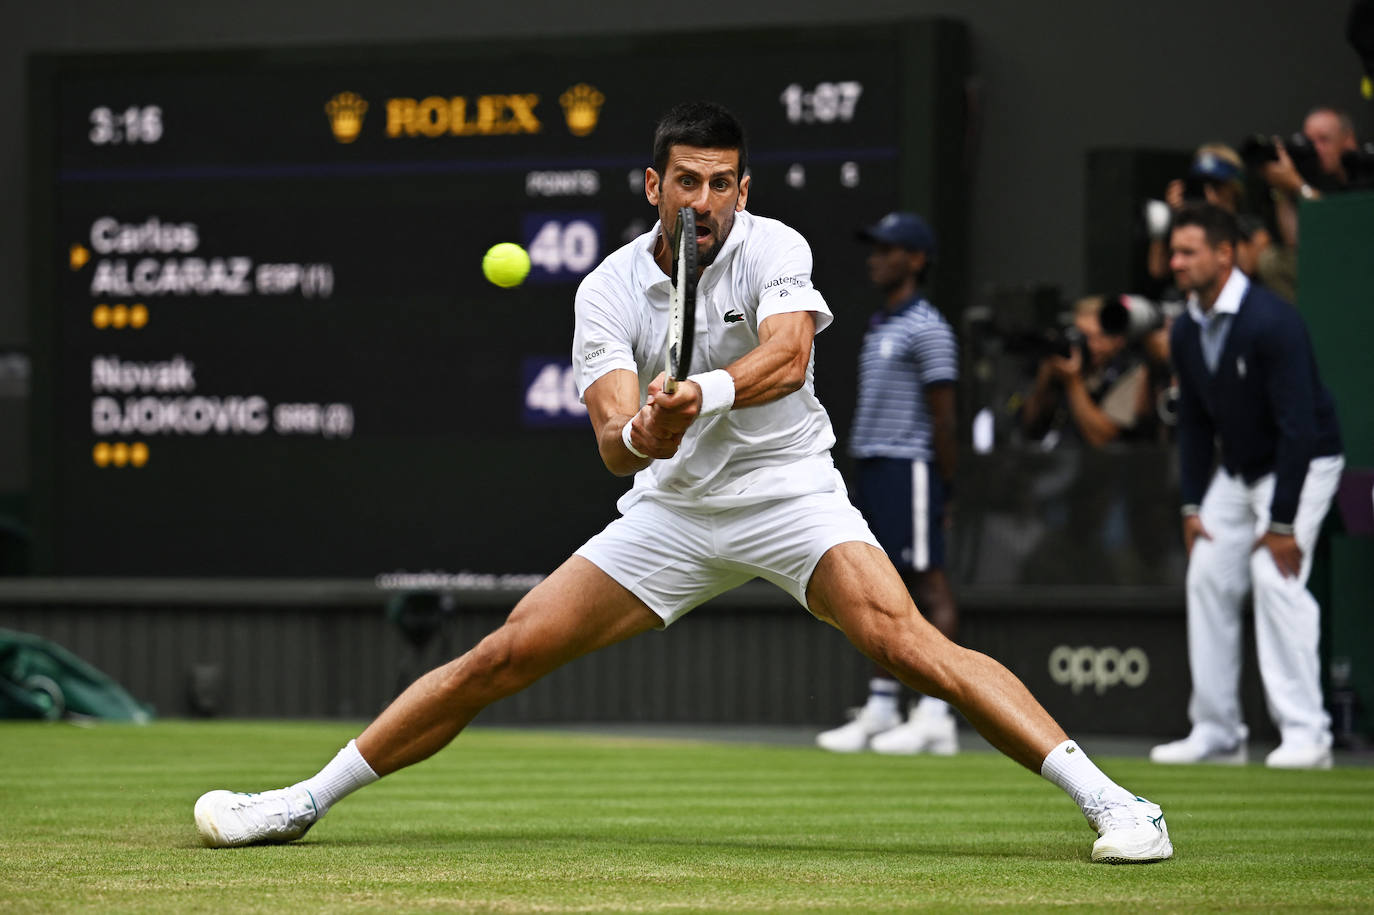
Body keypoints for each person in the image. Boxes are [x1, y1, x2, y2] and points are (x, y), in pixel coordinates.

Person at [193, 101, 1172, 863]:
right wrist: (646, 428)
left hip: (792, 492)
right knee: (505, 654)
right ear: (652, 184)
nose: (705, 200)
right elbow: (618, 450)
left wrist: (695, 393)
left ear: (742, 189)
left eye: (722, 184)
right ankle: (300, 803)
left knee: (904, 638)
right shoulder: (607, 289)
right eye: (687, 182)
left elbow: (788, 360)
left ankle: (1119, 804)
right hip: (672, 512)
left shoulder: (776, 247)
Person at [1150, 203, 1344, 770]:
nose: (1176, 262)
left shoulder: (1273, 321)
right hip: (1238, 472)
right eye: (1174, 252)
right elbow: (1192, 423)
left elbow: (1299, 427)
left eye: (1188, 252)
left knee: (1273, 574)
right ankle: (1217, 730)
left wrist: (1281, 523)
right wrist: (1191, 502)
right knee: (1208, 572)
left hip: (1302, 463)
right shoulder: (1185, 328)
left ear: (1225, 254)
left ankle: (1308, 733)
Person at [816, 212, 961, 756]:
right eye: (874, 248)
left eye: (889, 249)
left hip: (913, 468)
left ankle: (936, 713)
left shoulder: (930, 328)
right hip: (877, 466)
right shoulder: (881, 324)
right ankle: (881, 706)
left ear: (916, 260)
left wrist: (945, 488)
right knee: (879, 585)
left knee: (928, 582)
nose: (876, 258)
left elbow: (944, 420)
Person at [1019, 295, 1152, 449]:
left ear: (1117, 338)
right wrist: (1046, 377)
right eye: (1080, 336)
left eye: (1095, 337)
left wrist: (1073, 383)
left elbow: (1103, 439)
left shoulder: (1131, 370)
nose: (1086, 345)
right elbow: (1029, 425)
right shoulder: (1068, 364)